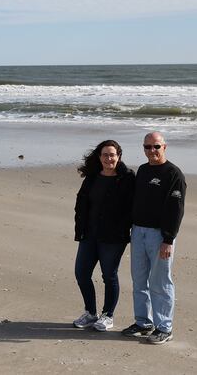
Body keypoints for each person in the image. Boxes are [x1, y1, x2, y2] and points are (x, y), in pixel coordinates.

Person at [121, 132, 186, 344]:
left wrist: (169, 239)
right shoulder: (143, 170)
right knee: (139, 280)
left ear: (164, 147)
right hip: (138, 232)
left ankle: (164, 327)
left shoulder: (173, 173)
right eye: (147, 147)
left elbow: (176, 210)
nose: (152, 151)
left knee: (159, 281)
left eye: (156, 146)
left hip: (160, 235)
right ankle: (143, 323)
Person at [72, 140, 135, 331]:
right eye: (105, 155)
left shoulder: (128, 178)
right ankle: (91, 313)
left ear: (119, 156)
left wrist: (123, 227)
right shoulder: (92, 177)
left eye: (112, 155)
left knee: (109, 275)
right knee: (81, 273)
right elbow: (81, 203)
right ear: (99, 157)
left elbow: (134, 207)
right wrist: (80, 227)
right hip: (89, 235)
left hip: (113, 238)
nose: (109, 158)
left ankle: (108, 315)